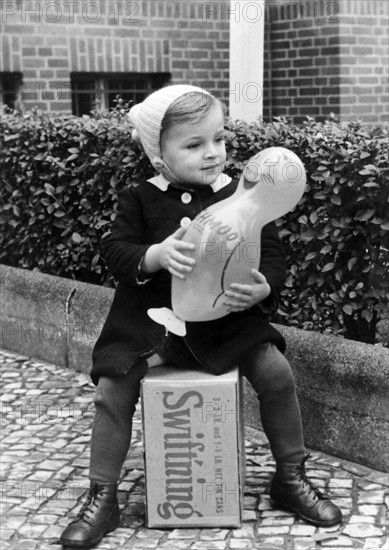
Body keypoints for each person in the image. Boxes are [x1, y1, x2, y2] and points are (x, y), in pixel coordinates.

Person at [60, 85, 342, 548]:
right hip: (150, 323)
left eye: (218, 139)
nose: (212, 154)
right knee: (113, 387)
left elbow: (270, 252)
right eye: (194, 145)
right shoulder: (141, 197)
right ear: (159, 157)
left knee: (276, 373)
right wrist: (155, 254)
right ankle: (102, 497)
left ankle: (290, 477)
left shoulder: (238, 193)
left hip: (226, 321)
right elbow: (113, 249)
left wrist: (264, 285)